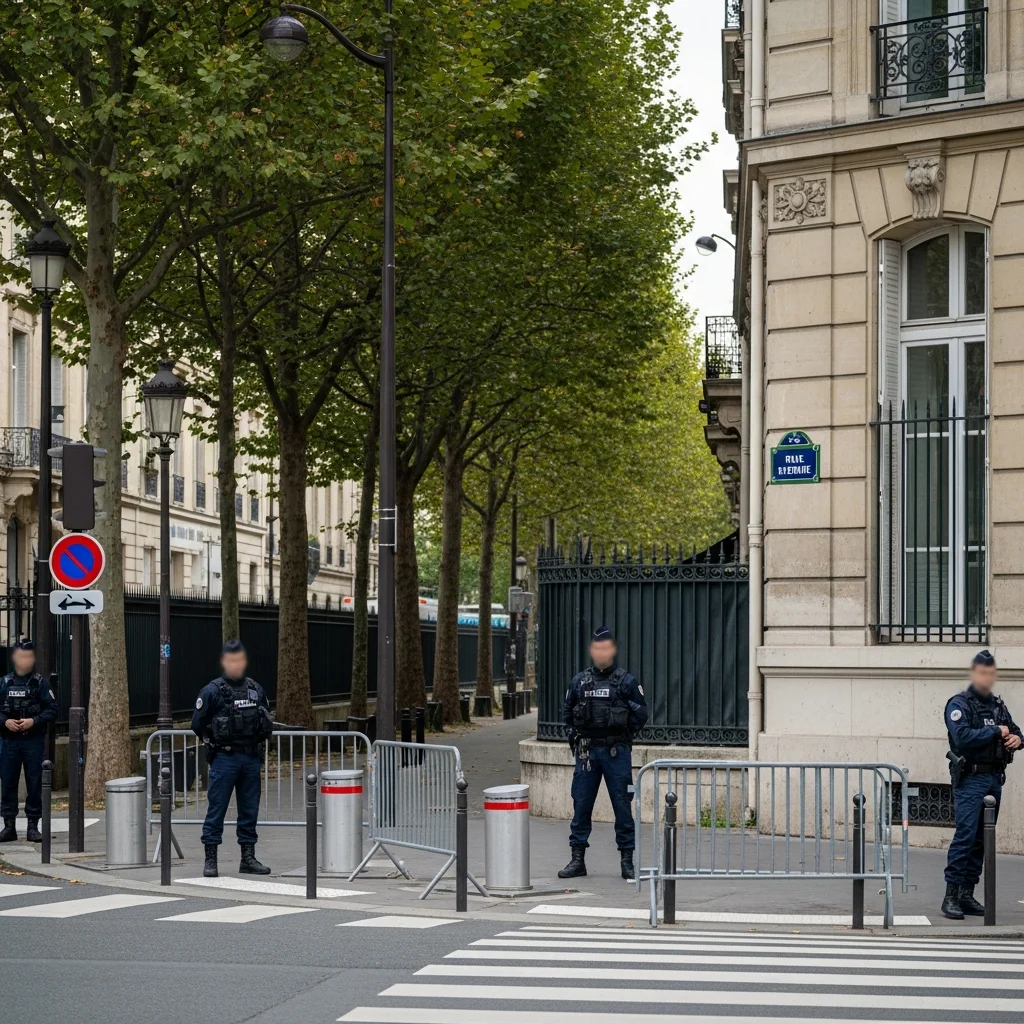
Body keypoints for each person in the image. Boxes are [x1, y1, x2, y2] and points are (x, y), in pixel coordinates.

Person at [558, 625, 648, 881]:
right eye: (597, 648)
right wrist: (576, 736)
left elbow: (641, 715)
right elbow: (567, 713)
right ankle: (577, 860)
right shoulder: (579, 681)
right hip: (587, 752)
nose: (601, 653)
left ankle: (627, 861)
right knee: (581, 805)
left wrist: (622, 736)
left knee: (622, 806)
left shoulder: (626, 682)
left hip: (615, 752)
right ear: (592, 651)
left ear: (613, 650)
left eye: (605, 648)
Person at [941, 649, 1021, 919]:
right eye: (983, 673)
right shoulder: (960, 704)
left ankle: (966, 895)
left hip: (994, 778)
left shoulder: (997, 705)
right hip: (971, 778)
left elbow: (1015, 731)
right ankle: (950, 896)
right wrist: (995, 731)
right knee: (965, 836)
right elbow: (962, 737)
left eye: (991, 673)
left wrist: (1018, 740)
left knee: (981, 840)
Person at [192, 640, 275, 878]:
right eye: (231, 660)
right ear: (224, 662)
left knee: (249, 810)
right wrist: (213, 742)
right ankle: (210, 859)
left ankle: (248, 858)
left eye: (239, 660)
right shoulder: (212, 691)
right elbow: (197, 724)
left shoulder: (255, 689)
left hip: (250, 757)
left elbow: (265, 717)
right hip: (224, 757)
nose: (235, 665)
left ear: (244, 662)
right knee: (217, 809)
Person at [0, 641, 58, 843]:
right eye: (20, 656)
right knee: (8, 783)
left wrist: (34, 721)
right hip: (9, 741)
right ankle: (9, 826)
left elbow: (52, 709)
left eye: (28, 657)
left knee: (35, 783)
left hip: (33, 741)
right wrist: (5, 722)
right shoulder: (4, 683)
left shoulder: (40, 683)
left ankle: (33, 826)